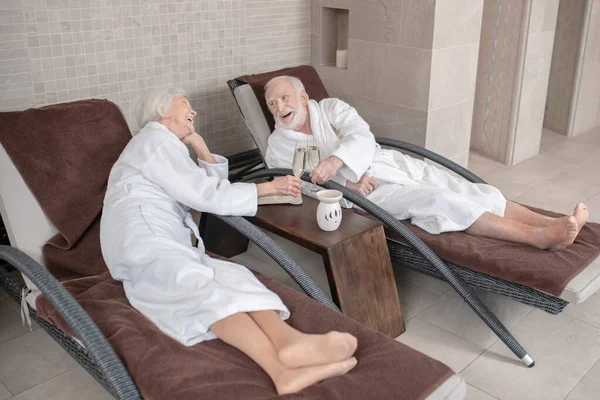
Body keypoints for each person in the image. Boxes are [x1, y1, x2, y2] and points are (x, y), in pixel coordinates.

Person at [100, 87, 358, 395]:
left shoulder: (164, 146)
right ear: (161, 112)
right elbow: (207, 196)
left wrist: (200, 146)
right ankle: (279, 371)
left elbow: (208, 189)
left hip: (162, 238)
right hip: (142, 241)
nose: (193, 111)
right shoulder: (154, 141)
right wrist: (268, 188)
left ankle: (289, 341)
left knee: (233, 274)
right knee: (197, 284)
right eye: (185, 105)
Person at [264, 76, 590, 251]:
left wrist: (339, 163)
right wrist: (346, 185)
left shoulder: (331, 108)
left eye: (284, 98)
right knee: (441, 201)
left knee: (463, 186)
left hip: (385, 163)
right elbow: (296, 183)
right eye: (271, 103)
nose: (279, 106)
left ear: (304, 98)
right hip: (365, 196)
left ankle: (550, 223)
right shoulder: (279, 146)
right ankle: (536, 238)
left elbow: (361, 135)